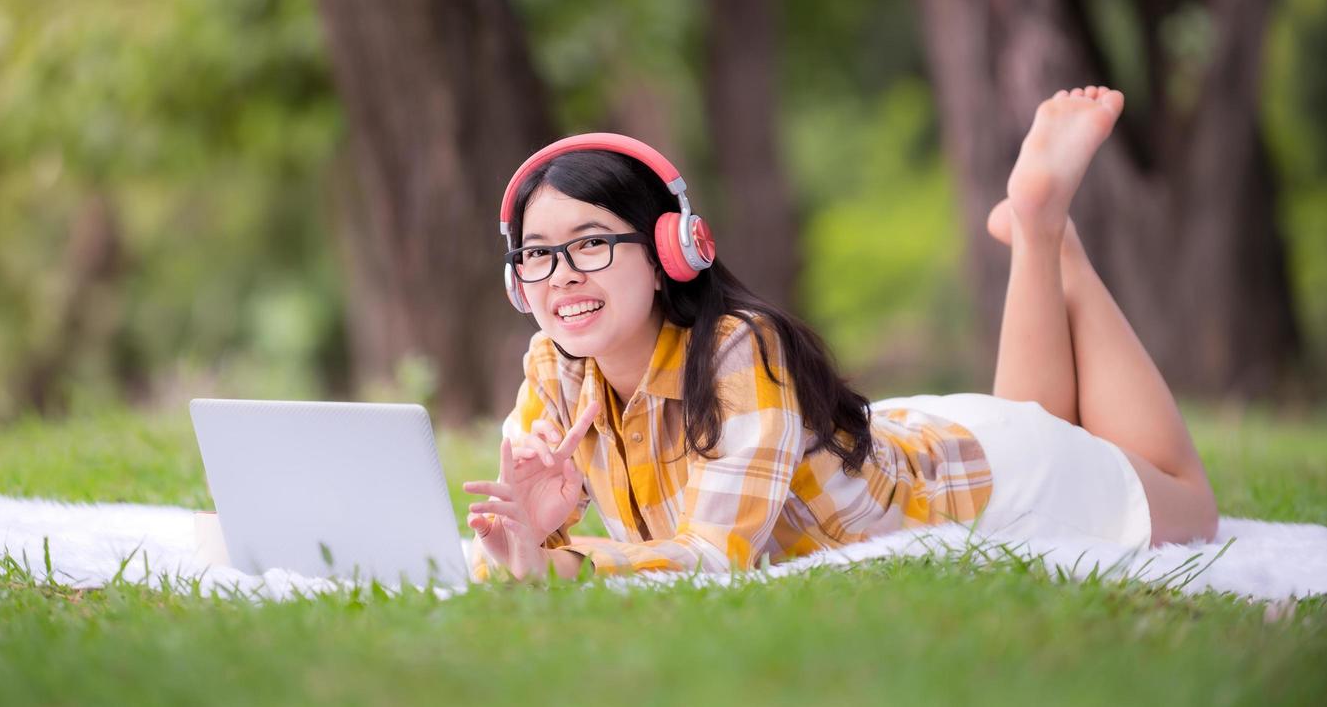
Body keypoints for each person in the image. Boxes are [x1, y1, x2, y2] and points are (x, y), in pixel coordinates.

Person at [462, 87, 1220, 581]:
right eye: (535, 255)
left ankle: (1053, 243)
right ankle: (1037, 231)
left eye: (590, 243)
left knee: (1190, 503)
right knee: (1038, 414)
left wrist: (557, 566)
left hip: (984, 483)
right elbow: (515, 552)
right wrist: (536, 535)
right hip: (926, 439)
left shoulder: (736, 348)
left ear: (670, 255)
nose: (559, 274)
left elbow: (709, 561)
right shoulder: (553, 369)